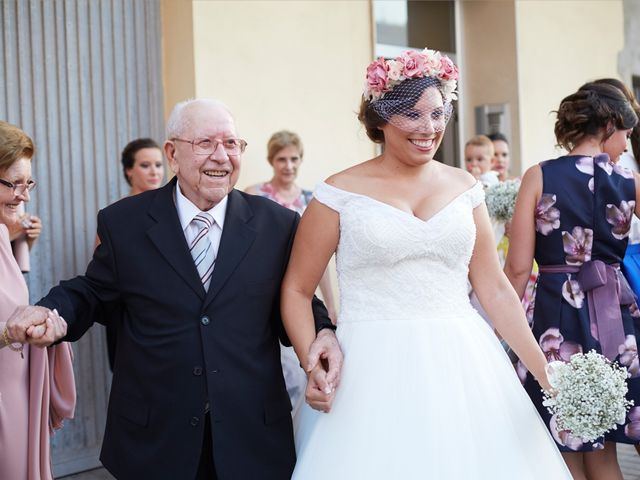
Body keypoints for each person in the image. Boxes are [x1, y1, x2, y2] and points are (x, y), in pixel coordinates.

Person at [12, 99, 341, 480]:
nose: (222, 156)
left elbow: (295, 301)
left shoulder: (277, 224)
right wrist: (52, 313)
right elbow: (92, 291)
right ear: (173, 153)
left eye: (232, 144)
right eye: (205, 143)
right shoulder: (124, 222)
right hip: (155, 439)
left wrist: (325, 334)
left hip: (250, 437)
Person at [281, 49, 571, 478]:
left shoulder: (464, 186)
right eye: (412, 115)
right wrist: (314, 363)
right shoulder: (337, 193)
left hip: (464, 362)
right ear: (380, 117)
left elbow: (493, 288)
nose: (429, 128)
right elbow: (297, 290)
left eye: (437, 114)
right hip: (368, 369)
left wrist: (546, 374)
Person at [504, 81, 640, 479]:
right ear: (610, 125)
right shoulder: (629, 182)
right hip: (615, 317)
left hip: (555, 316)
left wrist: (502, 328)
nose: (626, 147)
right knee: (605, 453)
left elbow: (515, 268)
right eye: (626, 136)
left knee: (563, 447)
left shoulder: (539, 176)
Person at [0, 120, 75, 480]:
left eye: (28, 182)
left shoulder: (4, 235)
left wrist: (20, 241)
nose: (24, 195)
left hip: (13, 391)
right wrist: (10, 333)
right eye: (13, 184)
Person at [245, 130, 337, 409]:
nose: (288, 165)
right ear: (271, 161)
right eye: (282, 159)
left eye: (294, 159)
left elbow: (317, 261)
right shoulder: (254, 195)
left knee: (302, 367)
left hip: (301, 293)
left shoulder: (312, 201)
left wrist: (330, 304)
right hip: (262, 293)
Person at [103, 138, 165, 371]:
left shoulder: (177, 210)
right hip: (128, 315)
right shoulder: (114, 216)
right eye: (145, 165)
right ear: (129, 170)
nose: (154, 172)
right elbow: (102, 269)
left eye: (158, 165)